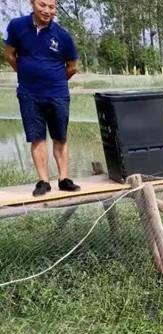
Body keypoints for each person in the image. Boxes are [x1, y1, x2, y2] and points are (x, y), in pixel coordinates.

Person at [3, 0, 81, 197]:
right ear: (32, 3)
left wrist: (54, 80)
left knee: (60, 137)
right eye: (42, 5)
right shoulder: (16, 26)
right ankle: (43, 182)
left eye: (52, 7)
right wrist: (26, 75)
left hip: (58, 95)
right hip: (29, 94)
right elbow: (10, 55)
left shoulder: (63, 35)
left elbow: (72, 67)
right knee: (37, 138)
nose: (47, 10)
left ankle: (64, 179)